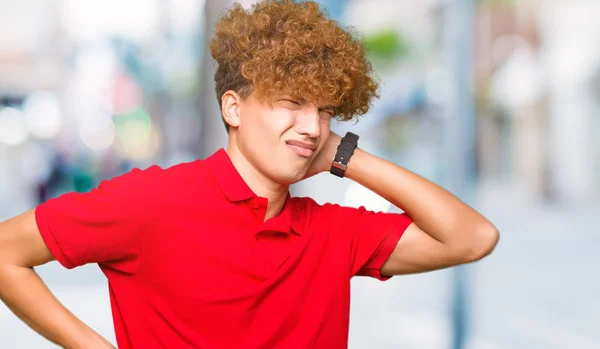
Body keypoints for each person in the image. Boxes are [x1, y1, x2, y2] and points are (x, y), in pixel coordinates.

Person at [0, 1, 499, 348]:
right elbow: (6, 254)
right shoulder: (152, 202)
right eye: (292, 103)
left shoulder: (332, 232)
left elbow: (473, 237)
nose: (311, 125)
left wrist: (346, 156)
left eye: (325, 109)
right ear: (233, 109)